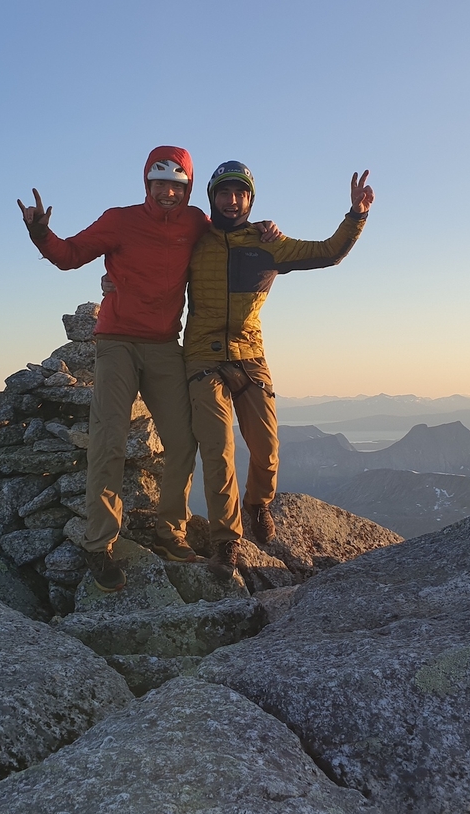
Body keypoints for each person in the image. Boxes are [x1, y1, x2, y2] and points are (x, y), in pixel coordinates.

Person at [17, 146, 282, 592]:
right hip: (117, 340)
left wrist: (263, 229)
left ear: (188, 189)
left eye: (176, 186)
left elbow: (227, 231)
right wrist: (41, 232)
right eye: (158, 184)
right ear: (146, 184)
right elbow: (68, 256)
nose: (166, 193)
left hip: (164, 345)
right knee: (109, 440)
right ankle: (99, 545)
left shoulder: (196, 221)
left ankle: (170, 534)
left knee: (182, 441)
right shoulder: (119, 220)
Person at [184, 161, 373, 579]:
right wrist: (113, 284)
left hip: (250, 355)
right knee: (218, 451)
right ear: (211, 197)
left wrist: (356, 215)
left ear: (250, 199)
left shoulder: (269, 243)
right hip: (202, 355)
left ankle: (257, 504)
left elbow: (328, 252)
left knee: (267, 451)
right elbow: (154, 268)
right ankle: (226, 541)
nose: (232, 201)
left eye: (240, 193)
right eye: (224, 193)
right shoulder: (194, 241)